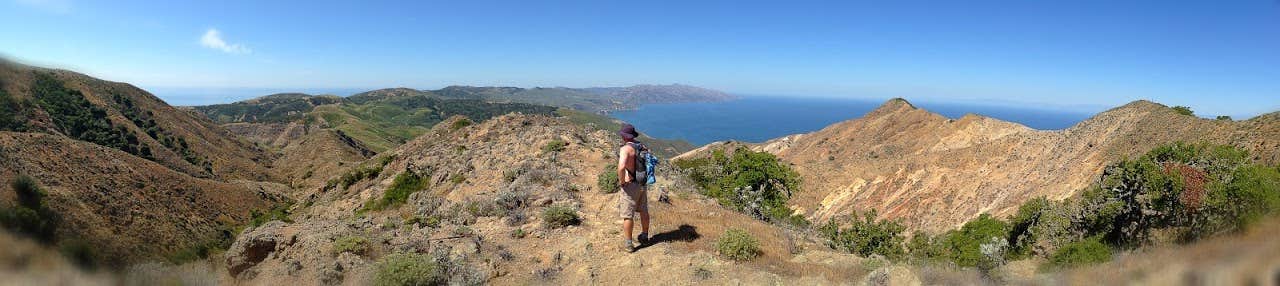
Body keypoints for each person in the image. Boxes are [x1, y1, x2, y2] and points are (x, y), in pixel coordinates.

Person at [616, 123, 650, 253]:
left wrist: (622, 181)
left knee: (627, 215)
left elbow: (621, 167)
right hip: (642, 183)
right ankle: (645, 235)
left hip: (630, 185)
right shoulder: (641, 146)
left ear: (624, 136)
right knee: (643, 210)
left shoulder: (625, 149)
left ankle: (629, 244)